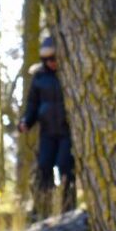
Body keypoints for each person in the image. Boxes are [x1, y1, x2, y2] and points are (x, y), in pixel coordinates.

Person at [19, 36, 75, 215]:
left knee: (64, 165)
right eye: (49, 59)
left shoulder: (71, 74)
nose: (53, 62)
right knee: (44, 166)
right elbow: (33, 104)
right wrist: (26, 121)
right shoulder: (39, 77)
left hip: (67, 131)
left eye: (56, 58)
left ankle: (68, 208)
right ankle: (42, 209)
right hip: (47, 131)